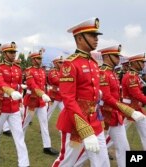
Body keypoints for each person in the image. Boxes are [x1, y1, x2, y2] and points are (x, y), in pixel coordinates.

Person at [52, 17, 110, 167]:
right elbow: (68, 99)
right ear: (79, 38)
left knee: (103, 162)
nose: (96, 39)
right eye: (92, 35)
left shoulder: (93, 63)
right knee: (65, 162)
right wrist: (84, 128)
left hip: (95, 121)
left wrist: (98, 95)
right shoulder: (70, 64)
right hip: (75, 123)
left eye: (97, 36)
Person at [0, 42, 29, 167]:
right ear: (4, 53)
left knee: (19, 135)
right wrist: (11, 91)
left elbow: (17, 85)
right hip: (1, 105)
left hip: (14, 106)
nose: (13, 55)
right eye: (10, 52)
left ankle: (24, 163)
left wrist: (19, 93)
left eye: (14, 52)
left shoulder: (18, 69)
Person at [22, 50, 59, 156]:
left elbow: (44, 85)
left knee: (44, 123)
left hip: (41, 101)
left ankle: (47, 146)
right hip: (32, 100)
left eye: (40, 58)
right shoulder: (29, 71)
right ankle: (20, 140)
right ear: (33, 60)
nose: (40, 60)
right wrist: (42, 94)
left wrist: (45, 94)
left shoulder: (42, 71)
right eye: (38, 58)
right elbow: (32, 85)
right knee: (25, 122)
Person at [121, 53, 146, 150]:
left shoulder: (134, 75)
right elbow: (137, 94)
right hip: (128, 110)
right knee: (116, 135)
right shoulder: (131, 76)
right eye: (142, 62)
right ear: (135, 63)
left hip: (135, 109)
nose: (144, 64)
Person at [47, 56, 65, 121]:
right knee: (49, 113)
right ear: (55, 63)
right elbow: (56, 81)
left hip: (61, 96)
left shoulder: (63, 72)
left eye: (62, 62)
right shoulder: (52, 72)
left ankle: (62, 131)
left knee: (64, 112)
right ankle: (43, 129)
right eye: (60, 62)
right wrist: (66, 80)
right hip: (53, 96)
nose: (62, 64)